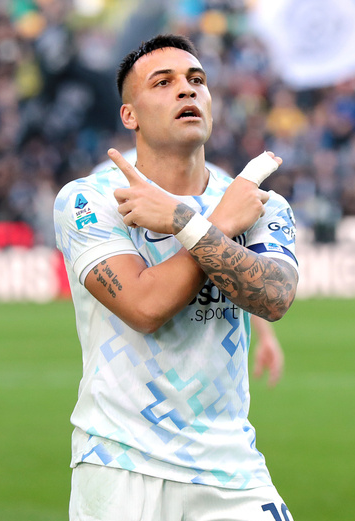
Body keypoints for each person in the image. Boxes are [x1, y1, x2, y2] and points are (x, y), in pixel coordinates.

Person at [52, 34, 315, 521]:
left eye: (195, 78)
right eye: (163, 81)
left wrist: (191, 222)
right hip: (121, 458)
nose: (186, 89)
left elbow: (275, 295)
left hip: (226, 456)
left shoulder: (256, 200)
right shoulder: (88, 200)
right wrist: (212, 225)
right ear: (130, 115)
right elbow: (143, 303)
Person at [93, 150, 286, 387]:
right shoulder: (96, 190)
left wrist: (265, 336)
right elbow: (145, 308)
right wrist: (219, 225)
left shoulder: (229, 188)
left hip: (230, 421)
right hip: (120, 418)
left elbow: (270, 294)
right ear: (130, 116)